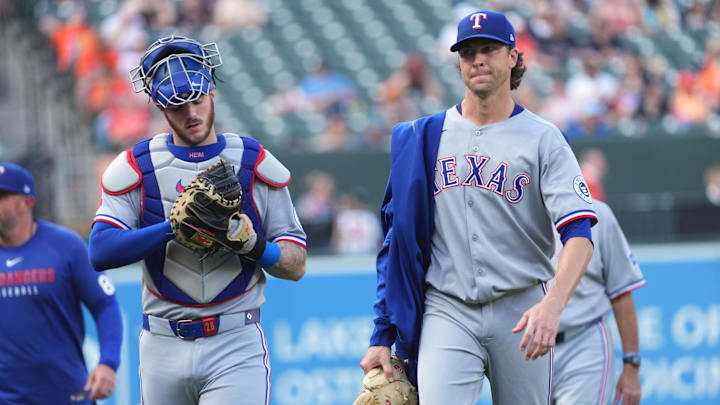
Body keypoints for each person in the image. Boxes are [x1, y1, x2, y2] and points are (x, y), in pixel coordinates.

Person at [359, 11, 597, 405]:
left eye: (489, 48)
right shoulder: (422, 136)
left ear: (513, 58)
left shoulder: (544, 139)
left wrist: (551, 306)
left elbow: (580, 235)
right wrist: (381, 336)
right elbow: (396, 246)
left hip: (521, 308)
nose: (478, 59)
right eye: (468, 52)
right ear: (458, 63)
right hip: (447, 308)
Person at [87, 35, 307, 405]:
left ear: (212, 92)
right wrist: (172, 228)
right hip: (162, 341)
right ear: (159, 106)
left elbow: (296, 264)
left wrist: (255, 247)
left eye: (197, 98)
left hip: (235, 339)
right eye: (177, 105)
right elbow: (101, 251)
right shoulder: (136, 166)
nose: (191, 113)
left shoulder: (252, 160)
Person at [0, 163, 122, 404]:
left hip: (67, 395)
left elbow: (105, 305)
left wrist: (108, 362)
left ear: (27, 202)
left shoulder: (65, 246)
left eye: (2, 196)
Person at [550, 200, 644, 405]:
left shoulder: (597, 213)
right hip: (527, 345)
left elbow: (621, 293)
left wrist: (632, 365)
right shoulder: (513, 212)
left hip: (582, 341)